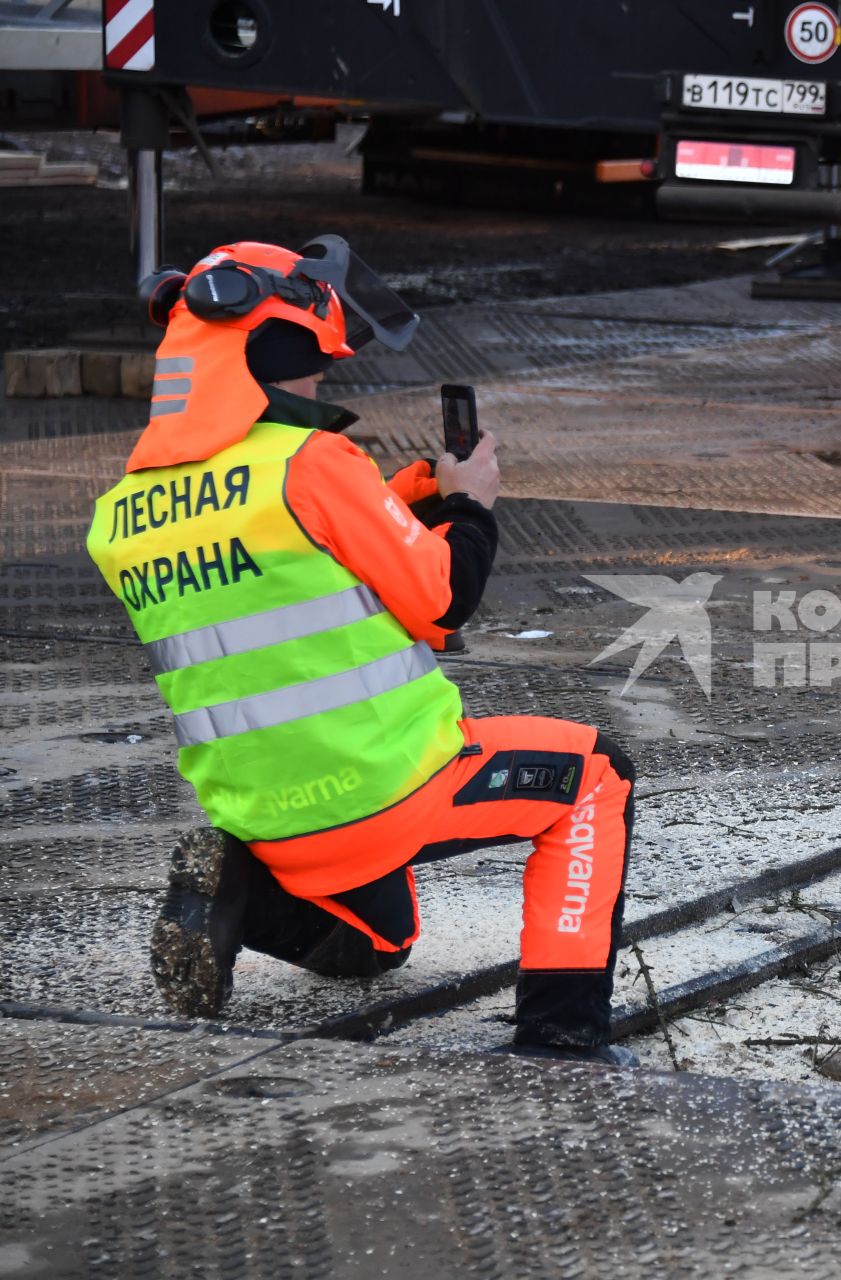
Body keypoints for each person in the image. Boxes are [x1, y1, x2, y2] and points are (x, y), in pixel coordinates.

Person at [86, 239, 636, 1063]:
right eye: (311, 369)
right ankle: (563, 1037)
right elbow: (443, 599)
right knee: (599, 777)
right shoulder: (313, 464)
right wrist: (471, 509)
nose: (316, 384)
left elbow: (280, 556)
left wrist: (410, 492)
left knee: (382, 944)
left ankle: (239, 893)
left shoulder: (121, 516)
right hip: (387, 785)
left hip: (265, 817)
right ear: (266, 354)